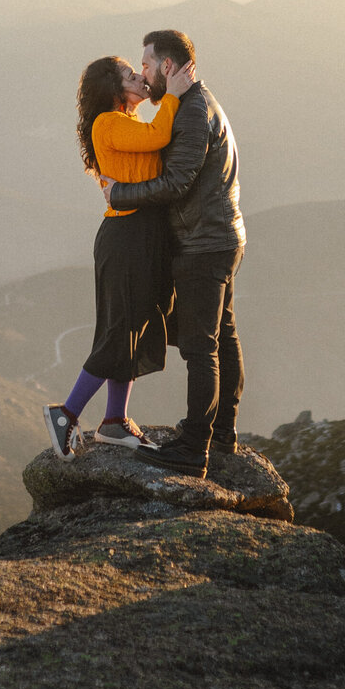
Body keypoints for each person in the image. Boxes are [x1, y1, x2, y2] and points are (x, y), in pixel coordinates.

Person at [103, 29, 245, 479]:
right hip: (221, 236)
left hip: (203, 243)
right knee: (222, 337)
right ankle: (220, 432)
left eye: (145, 64)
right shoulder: (198, 103)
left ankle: (193, 448)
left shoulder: (191, 112)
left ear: (167, 66)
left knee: (201, 347)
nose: (142, 73)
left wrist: (120, 193)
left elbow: (176, 183)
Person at [43, 52, 195, 461]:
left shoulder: (125, 122)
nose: (140, 78)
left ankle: (113, 421)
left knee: (133, 324)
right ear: (115, 88)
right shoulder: (107, 123)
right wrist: (174, 96)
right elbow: (158, 138)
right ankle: (67, 414)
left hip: (140, 235)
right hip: (126, 236)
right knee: (119, 329)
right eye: (131, 74)